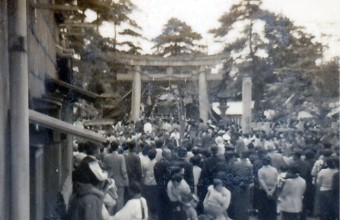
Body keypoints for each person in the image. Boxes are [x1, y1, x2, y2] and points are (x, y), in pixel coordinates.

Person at [103, 141, 129, 212]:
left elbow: (104, 168)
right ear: (118, 147)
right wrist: (126, 180)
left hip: (110, 182)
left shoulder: (106, 157)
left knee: (111, 200)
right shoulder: (121, 157)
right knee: (120, 200)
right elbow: (123, 170)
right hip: (120, 181)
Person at [257, 156, 278, 220]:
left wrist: (267, 192)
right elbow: (276, 181)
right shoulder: (274, 170)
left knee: (263, 208)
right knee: (272, 208)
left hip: (263, 191)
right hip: (273, 190)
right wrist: (272, 191)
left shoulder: (260, 170)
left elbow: (261, 181)